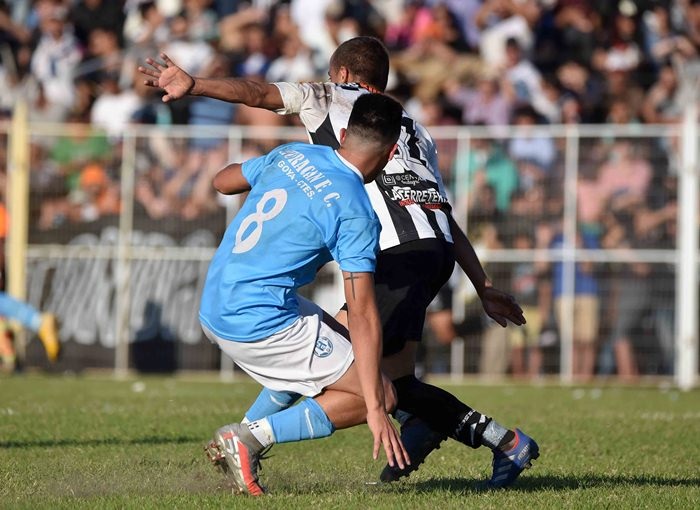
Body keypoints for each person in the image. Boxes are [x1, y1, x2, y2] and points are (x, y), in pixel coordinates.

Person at [139, 36, 537, 489]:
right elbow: (438, 211)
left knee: (373, 381)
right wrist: (481, 282)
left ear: (343, 76)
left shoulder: (329, 100)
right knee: (373, 371)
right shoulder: (415, 130)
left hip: (390, 253)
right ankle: (425, 428)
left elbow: (257, 94)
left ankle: (505, 442)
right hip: (435, 252)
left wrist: (196, 85)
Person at [199, 93, 409, 495]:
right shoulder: (355, 212)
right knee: (378, 391)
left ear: (344, 134)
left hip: (216, 302)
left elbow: (223, 181)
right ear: (391, 152)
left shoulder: (293, 153)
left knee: (319, 346)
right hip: (257, 319)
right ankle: (248, 439)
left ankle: (241, 439)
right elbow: (363, 314)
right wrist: (377, 408)